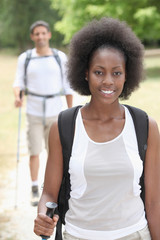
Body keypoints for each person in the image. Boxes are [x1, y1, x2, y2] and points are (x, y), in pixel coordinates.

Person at [34, 17, 160, 239]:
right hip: (79, 235)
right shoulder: (64, 127)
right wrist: (43, 216)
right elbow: (49, 193)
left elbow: (153, 201)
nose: (108, 81)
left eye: (117, 72)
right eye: (99, 72)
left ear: (127, 74)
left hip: (135, 234)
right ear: (85, 73)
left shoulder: (145, 126)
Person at [13, 20, 73, 206]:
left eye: (43, 33)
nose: (40, 36)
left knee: (55, 153)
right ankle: (33, 187)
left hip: (56, 113)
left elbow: (68, 86)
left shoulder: (59, 57)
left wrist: (70, 112)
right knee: (34, 151)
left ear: (49, 35)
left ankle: (55, 188)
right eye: (36, 34)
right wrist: (18, 96)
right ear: (32, 36)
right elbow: (18, 83)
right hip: (34, 111)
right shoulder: (26, 58)